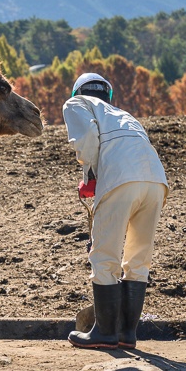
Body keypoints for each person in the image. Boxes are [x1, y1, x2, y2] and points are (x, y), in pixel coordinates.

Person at [62, 72, 168, 350]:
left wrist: (89, 177)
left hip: (121, 179)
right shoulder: (124, 114)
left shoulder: (76, 104)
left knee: (104, 253)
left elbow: (86, 138)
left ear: (78, 92)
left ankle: (105, 332)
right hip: (156, 181)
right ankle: (126, 333)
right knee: (138, 257)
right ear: (107, 94)